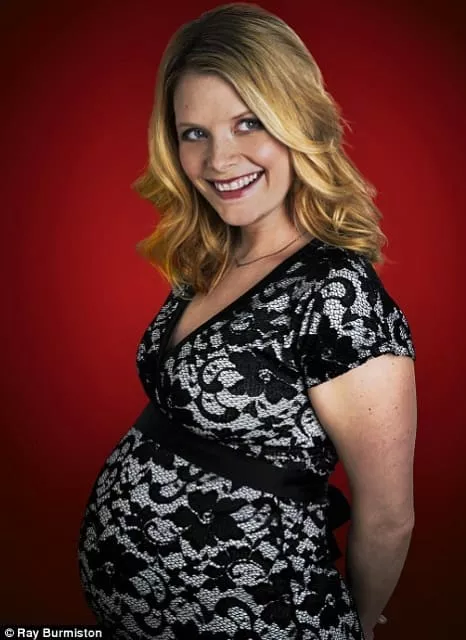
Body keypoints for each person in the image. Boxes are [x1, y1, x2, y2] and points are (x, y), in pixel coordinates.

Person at [78, 3, 417, 639]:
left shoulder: (336, 293)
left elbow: (388, 516)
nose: (219, 159)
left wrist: (360, 624)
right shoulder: (213, 258)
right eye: (194, 133)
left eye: (247, 123)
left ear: (297, 121)